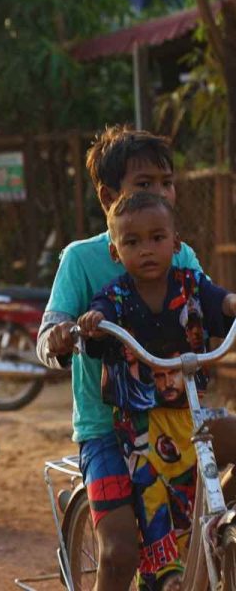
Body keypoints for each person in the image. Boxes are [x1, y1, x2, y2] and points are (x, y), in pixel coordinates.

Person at [36, 125, 236, 590]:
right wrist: (63, 335)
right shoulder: (82, 260)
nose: (162, 192)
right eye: (144, 184)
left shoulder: (180, 253)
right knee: (121, 549)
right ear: (108, 196)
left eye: (167, 182)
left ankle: (209, 522)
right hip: (108, 426)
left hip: (181, 414)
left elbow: (209, 301)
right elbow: (47, 335)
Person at [78, 192, 236, 590]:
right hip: (138, 422)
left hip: (188, 412)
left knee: (193, 492)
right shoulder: (113, 298)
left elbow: (218, 301)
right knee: (153, 497)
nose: (146, 249)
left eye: (156, 238)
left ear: (176, 243)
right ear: (115, 251)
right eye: (132, 242)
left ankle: (202, 561)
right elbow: (97, 332)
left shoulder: (191, 284)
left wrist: (232, 302)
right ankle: (164, 577)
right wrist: (94, 323)